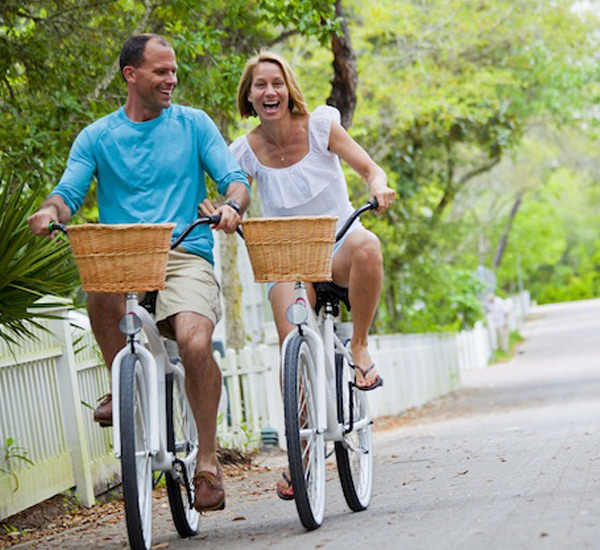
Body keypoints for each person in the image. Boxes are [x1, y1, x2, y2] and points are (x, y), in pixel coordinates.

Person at [28, 34, 250, 513]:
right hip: (126, 255)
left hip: (184, 252)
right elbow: (67, 191)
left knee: (194, 343)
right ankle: (121, 379)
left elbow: (233, 177)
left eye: (173, 71)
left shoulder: (193, 125)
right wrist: (50, 212)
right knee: (99, 288)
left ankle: (207, 461)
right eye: (161, 72)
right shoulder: (97, 136)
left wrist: (232, 205)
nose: (172, 80)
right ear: (131, 75)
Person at [227, 50, 395, 499]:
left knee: (369, 245)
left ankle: (358, 344)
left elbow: (368, 168)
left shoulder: (320, 125)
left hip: (338, 244)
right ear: (248, 96)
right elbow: (237, 195)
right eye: (259, 85)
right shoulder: (243, 151)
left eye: (276, 83)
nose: (269, 92)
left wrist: (377, 186)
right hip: (289, 259)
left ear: (289, 89)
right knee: (292, 354)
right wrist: (225, 208)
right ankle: (300, 452)